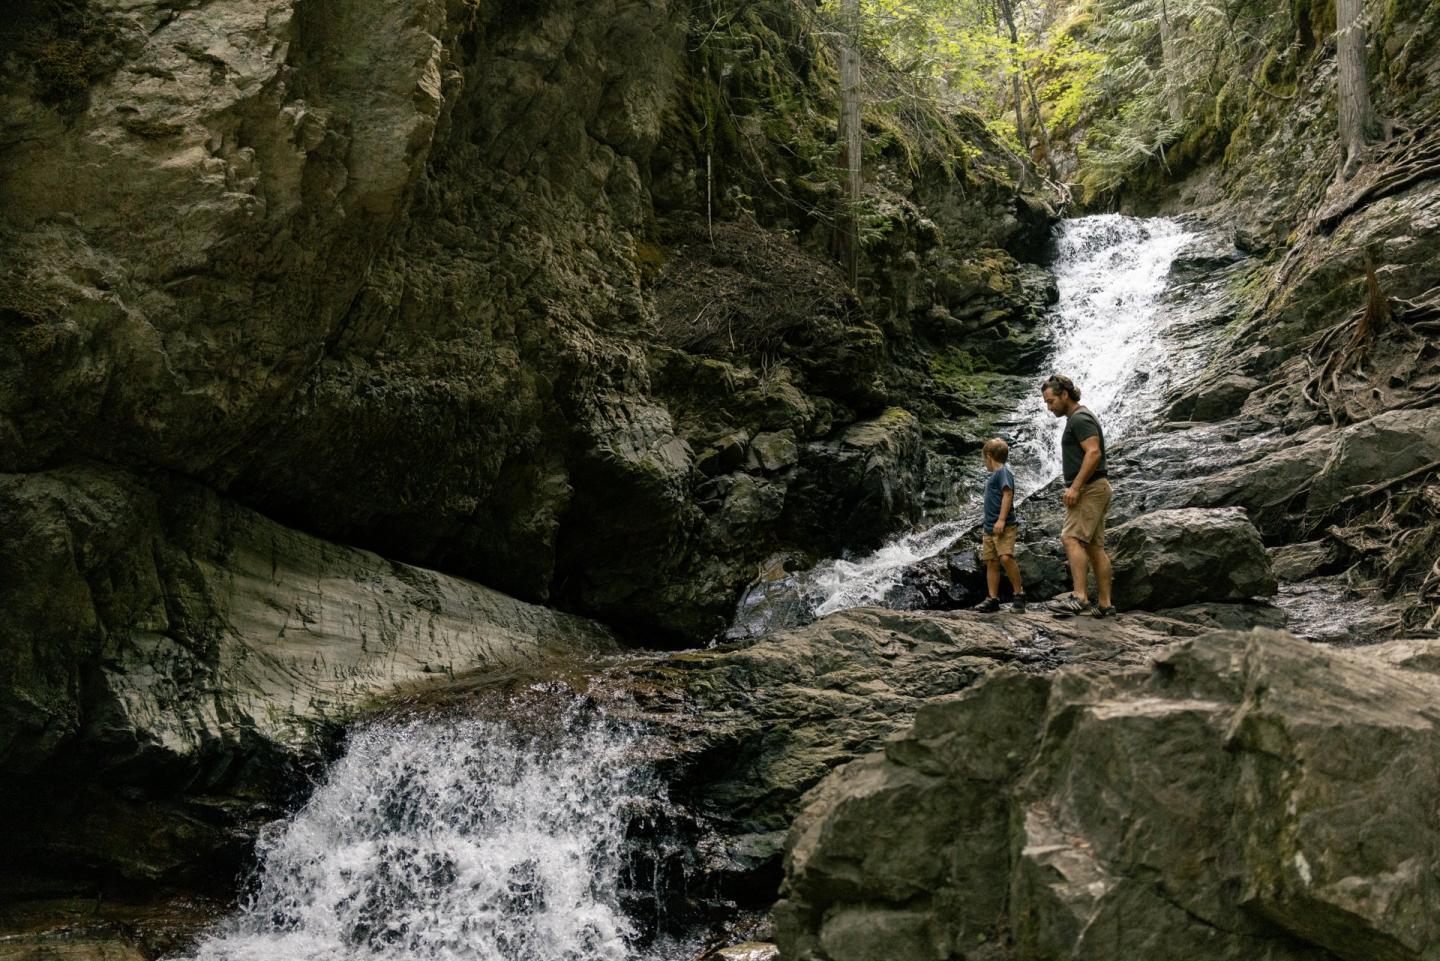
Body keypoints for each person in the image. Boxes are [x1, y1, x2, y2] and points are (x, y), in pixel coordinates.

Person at [1040, 375, 1115, 617]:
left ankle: (1079, 597)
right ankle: (1105, 604)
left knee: (1070, 538)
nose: (1049, 407)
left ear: (1064, 395)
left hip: (1090, 488)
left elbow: (1093, 453)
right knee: (1094, 547)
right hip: (1097, 486)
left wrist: (1075, 487)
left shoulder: (1080, 419)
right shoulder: (1080, 417)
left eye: (1051, 401)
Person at [972, 438, 1026, 613]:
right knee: (992, 561)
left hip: (1004, 525)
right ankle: (992, 599)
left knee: (1005, 557)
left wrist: (1001, 520)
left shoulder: (1003, 472)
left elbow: (1008, 494)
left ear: (988, 457)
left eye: (983, 459)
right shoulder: (995, 475)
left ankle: (1019, 595)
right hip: (989, 527)